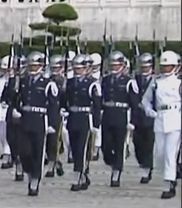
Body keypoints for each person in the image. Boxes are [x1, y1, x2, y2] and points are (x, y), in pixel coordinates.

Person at [14, 52, 62, 197]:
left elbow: (54, 105)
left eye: (36, 66)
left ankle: (35, 179)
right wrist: (16, 110)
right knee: (23, 151)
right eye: (31, 66)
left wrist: (52, 123)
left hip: (40, 120)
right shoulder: (23, 81)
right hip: (26, 118)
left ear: (41, 66)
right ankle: (29, 171)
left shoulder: (48, 83)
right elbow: (17, 98)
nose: (33, 68)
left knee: (38, 151)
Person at [140, 50, 181, 199]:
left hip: (175, 119)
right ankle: (172, 175)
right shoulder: (156, 81)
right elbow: (145, 100)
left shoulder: (179, 82)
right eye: (164, 66)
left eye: (168, 66)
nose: (165, 68)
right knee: (160, 154)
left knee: (170, 153)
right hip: (160, 118)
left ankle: (168, 185)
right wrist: (149, 110)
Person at [63, 54, 101, 192]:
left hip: (86, 118)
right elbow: (65, 98)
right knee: (74, 149)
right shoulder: (70, 82)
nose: (77, 71)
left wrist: (96, 124)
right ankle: (84, 174)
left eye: (80, 68)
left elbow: (97, 105)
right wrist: (64, 110)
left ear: (87, 68)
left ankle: (77, 176)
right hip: (73, 116)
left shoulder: (92, 84)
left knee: (82, 148)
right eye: (76, 68)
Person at [100, 51, 134, 187]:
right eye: (112, 65)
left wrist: (132, 121)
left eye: (116, 65)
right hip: (108, 113)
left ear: (122, 65)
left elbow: (134, 101)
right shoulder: (106, 80)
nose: (113, 68)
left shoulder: (128, 81)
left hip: (121, 114)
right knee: (105, 145)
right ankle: (112, 162)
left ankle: (117, 172)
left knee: (119, 144)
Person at [130, 53, 156, 183]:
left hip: (151, 116)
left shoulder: (156, 80)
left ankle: (147, 170)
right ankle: (142, 163)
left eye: (147, 67)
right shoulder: (136, 79)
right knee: (137, 143)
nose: (144, 69)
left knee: (148, 144)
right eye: (143, 67)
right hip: (137, 116)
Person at [45, 54, 68, 178]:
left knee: (54, 140)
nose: (55, 71)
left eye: (57, 68)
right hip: (47, 112)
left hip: (58, 113)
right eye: (53, 68)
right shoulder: (47, 80)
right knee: (47, 141)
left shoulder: (65, 81)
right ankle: (55, 162)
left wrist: (65, 108)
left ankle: (52, 165)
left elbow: (67, 97)